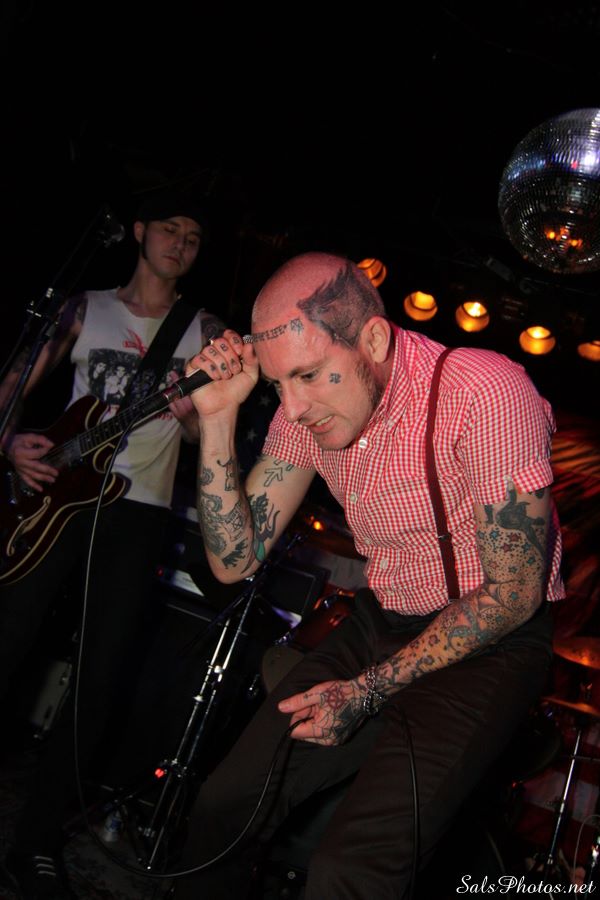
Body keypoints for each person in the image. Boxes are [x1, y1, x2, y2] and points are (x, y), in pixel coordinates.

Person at [172, 251, 565, 899]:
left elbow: (514, 593)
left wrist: (367, 691)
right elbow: (233, 559)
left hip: (491, 642)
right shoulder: (303, 410)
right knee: (227, 803)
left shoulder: (484, 391)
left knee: (353, 869)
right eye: (278, 385)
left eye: (310, 375)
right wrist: (216, 417)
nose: (294, 406)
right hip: (383, 620)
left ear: (375, 341)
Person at [0, 188, 223, 899]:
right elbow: (13, 388)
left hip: (139, 510)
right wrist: (9, 443)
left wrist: (192, 416)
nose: (180, 243)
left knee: (100, 677)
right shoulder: (82, 307)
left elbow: (207, 435)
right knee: (8, 639)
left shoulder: (205, 331)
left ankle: (35, 843)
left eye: (193, 236)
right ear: (138, 230)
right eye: (169, 228)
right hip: (55, 494)